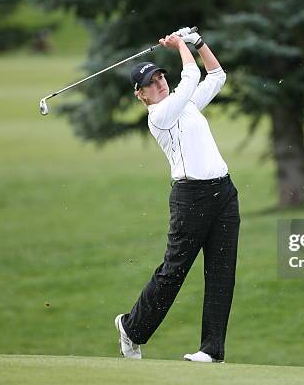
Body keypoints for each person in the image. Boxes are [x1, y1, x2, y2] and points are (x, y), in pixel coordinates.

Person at [114, 27, 240, 363]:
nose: (159, 84)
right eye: (151, 83)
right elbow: (192, 74)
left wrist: (198, 43)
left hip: (224, 193)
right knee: (174, 271)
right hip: (191, 199)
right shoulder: (160, 116)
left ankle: (212, 350)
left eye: (160, 78)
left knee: (222, 272)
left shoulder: (185, 106)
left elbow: (215, 74)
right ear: (141, 95)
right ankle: (131, 328)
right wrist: (181, 46)